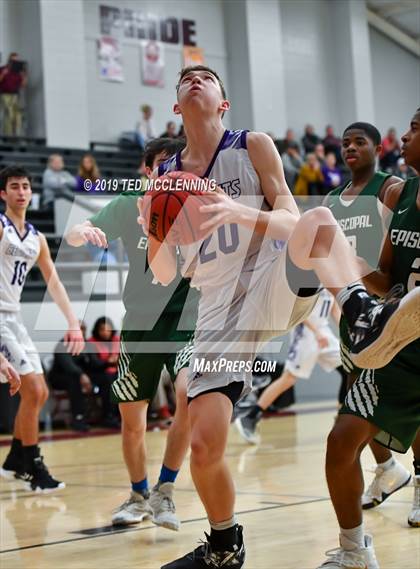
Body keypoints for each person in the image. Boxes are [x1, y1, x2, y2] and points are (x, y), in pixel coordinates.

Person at [138, 65, 420, 569]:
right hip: (220, 312)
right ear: (177, 108)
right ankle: (225, 546)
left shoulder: (253, 145)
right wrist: (155, 232)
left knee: (317, 219)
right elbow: (162, 274)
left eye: (206, 76)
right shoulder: (165, 179)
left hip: (272, 278)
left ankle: (360, 313)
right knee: (203, 446)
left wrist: (239, 211)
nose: (195, 79)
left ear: (223, 103)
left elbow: (293, 221)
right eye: (186, 79)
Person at [66, 137, 198, 531]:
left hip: (186, 319)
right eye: (161, 163)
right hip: (140, 322)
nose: (169, 169)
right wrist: (80, 232)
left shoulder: (197, 204)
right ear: (146, 169)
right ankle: (139, 494)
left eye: (176, 163)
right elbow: (78, 230)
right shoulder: (128, 204)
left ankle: (166, 490)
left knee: (189, 393)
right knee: (133, 420)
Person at [317, 111, 420, 567]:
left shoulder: (389, 187)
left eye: (415, 128)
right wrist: (344, 269)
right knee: (342, 439)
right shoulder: (405, 197)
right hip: (390, 334)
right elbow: (385, 276)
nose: (406, 134)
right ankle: (354, 550)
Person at [0, 165, 84, 492]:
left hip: (15, 318)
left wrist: (73, 322)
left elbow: (55, 282)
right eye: (14, 186)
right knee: (33, 391)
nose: (21, 191)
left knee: (41, 392)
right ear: (3, 194)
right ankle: (33, 468)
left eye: (25, 186)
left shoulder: (36, 238)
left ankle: (14, 460)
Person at [235, 290, 343, 444]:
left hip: (324, 332)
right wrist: (316, 332)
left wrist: (349, 331)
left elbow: (335, 311)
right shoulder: (312, 278)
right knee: (288, 379)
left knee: (348, 368)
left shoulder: (331, 280)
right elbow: (297, 310)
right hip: (306, 333)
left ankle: (342, 421)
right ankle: (250, 417)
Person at [49, 321, 119, 431]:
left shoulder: (86, 345)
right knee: (74, 380)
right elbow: (69, 366)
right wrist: (82, 375)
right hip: (60, 378)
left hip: (82, 377)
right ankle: (78, 419)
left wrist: (108, 363)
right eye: (78, 328)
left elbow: (94, 364)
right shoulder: (62, 345)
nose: (81, 331)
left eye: (83, 328)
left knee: (106, 377)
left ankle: (108, 416)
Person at [0, 53, 27, 136]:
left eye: (16, 60)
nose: (15, 61)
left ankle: (17, 136)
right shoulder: (2, 69)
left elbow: (23, 85)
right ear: (9, 60)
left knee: (17, 116)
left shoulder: (18, 72)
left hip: (15, 95)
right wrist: (3, 74)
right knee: (8, 115)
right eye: (13, 60)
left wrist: (24, 76)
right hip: (5, 95)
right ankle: (7, 136)